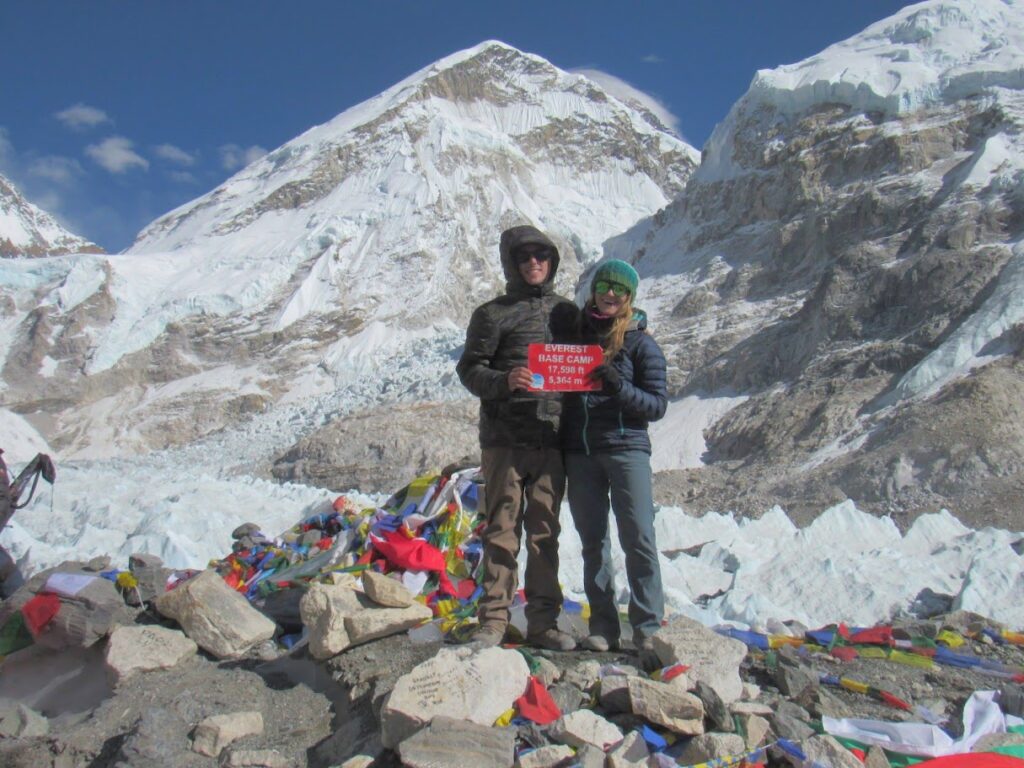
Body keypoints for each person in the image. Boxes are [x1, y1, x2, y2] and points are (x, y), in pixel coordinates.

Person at [456, 224, 580, 651]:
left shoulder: (567, 314)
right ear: (512, 263)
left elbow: (586, 366)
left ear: (552, 261)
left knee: (545, 534)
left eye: (541, 255)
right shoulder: (491, 314)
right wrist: (504, 380)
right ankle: (493, 620)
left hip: (551, 438)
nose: (533, 263)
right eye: (524, 257)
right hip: (504, 439)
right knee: (501, 530)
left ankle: (543, 624)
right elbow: (469, 369)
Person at [561, 259, 668, 654]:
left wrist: (618, 387)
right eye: (604, 284)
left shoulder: (641, 344)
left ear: (629, 296)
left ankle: (647, 628)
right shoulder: (575, 339)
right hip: (581, 452)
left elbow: (657, 405)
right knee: (593, 542)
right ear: (593, 289)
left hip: (626, 449)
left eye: (619, 288)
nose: (610, 293)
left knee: (638, 537)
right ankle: (603, 627)